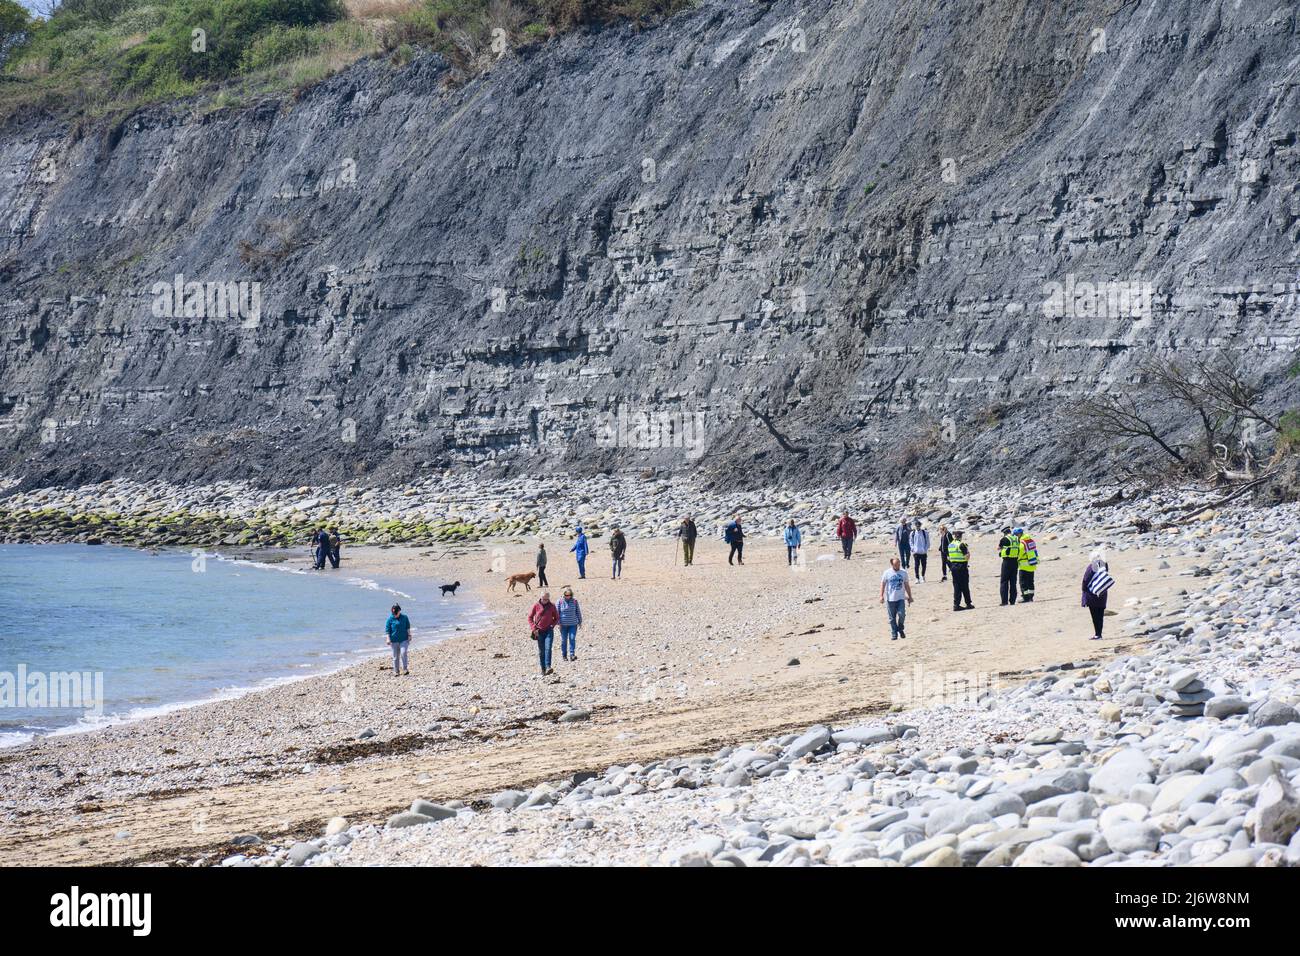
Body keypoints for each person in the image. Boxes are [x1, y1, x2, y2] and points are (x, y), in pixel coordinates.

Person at [880, 557, 914, 640]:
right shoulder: (887, 573)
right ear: (892, 564)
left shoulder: (903, 573)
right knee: (892, 618)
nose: (898, 566)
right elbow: (883, 584)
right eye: (896, 564)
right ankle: (894, 633)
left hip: (900, 598)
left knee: (902, 614)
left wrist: (910, 596)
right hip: (890, 599)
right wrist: (881, 595)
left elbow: (906, 585)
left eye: (899, 564)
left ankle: (900, 628)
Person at [1082, 549, 1112, 640]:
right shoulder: (1104, 565)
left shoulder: (1092, 566)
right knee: (1100, 615)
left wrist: (1083, 590)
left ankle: (1097, 634)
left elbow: (1086, 579)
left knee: (1095, 615)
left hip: (1092, 593)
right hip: (1102, 592)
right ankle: (1099, 634)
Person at [528, 590, 559, 675]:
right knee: (541, 651)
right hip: (539, 631)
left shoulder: (552, 606)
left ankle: (548, 666)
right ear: (540, 597)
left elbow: (556, 617)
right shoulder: (536, 605)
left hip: (549, 630)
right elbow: (530, 618)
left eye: (547, 599)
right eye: (544, 599)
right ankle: (543, 669)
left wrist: (552, 625)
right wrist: (534, 628)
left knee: (548, 648)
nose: (545, 601)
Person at [948, 530, 973, 611]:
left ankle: (956, 604)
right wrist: (968, 552)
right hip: (962, 567)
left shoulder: (950, 545)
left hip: (953, 567)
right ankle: (968, 603)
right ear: (960, 536)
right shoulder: (961, 544)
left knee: (956, 586)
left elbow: (948, 557)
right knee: (965, 585)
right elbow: (967, 557)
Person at [997, 526, 1022, 605]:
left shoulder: (1004, 539)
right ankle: (1012, 601)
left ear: (1004, 533)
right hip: (1015, 561)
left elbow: (998, 548)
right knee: (1013, 582)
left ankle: (1004, 601)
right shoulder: (1016, 539)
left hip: (1007, 561)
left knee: (1004, 581)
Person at [385, 603, 411, 676]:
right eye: (393, 613)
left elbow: (408, 627)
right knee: (395, 657)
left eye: (396, 613)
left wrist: (409, 635)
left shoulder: (405, 617)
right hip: (394, 641)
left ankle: (405, 669)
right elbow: (387, 630)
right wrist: (388, 639)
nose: (395, 615)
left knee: (403, 653)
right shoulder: (390, 619)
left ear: (399, 611)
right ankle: (396, 671)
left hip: (404, 639)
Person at [557, 586, 582, 662]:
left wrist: (580, 621)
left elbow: (578, 611)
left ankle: (572, 654)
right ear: (564, 594)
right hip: (563, 625)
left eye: (569, 595)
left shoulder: (574, 601)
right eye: (566, 595)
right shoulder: (560, 601)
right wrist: (558, 624)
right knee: (564, 640)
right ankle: (564, 655)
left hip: (573, 624)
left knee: (572, 638)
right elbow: (556, 613)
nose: (568, 597)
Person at [1016, 528, 1038, 602]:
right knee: (1030, 582)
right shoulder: (1030, 541)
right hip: (1032, 564)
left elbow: (1019, 554)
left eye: (1016, 535)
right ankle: (1031, 597)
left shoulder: (1022, 543)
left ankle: (1025, 598)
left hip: (1024, 565)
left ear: (1019, 534)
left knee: (1022, 582)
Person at [909, 518, 929, 582]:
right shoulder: (913, 533)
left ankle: (923, 576)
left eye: (919, 525)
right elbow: (911, 542)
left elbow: (927, 542)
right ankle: (917, 578)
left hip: (923, 552)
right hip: (916, 552)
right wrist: (913, 549)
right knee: (916, 566)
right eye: (916, 525)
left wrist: (925, 549)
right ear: (915, 526)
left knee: (924, 565)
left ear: (920, 525)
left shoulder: (924, 532)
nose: (918, 526)